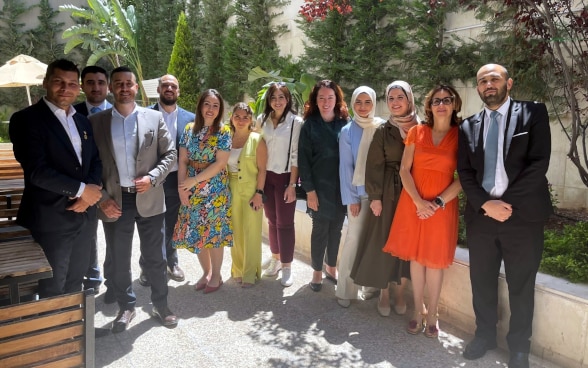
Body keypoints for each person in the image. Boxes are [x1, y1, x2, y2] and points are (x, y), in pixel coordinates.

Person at [457, 64, 552, 368]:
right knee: (481, 281)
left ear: (508, 83)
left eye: (494, 78)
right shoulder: (468, 125)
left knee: (521, 285)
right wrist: (487, 205)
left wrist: (504, 203)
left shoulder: (532, 114)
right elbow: (466, 172)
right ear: (478, 88)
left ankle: (519, 348)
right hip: (481, 217)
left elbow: (539, 163)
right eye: (482, 80)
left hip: (522, 217)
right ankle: (484, 336)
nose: (488, 84)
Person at [90, 66, 178, 333]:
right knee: (118, 257)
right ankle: (126, 306)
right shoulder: (97, 122)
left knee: (155, 257)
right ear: (111, 88)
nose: (124, 88)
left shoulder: (153, 118)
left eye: (129, 83)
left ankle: (161, 305)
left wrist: (153, 177)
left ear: (136, 88)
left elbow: (170, 154)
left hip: (149, 196)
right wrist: (101, 197)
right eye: (119, 83)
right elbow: (89, 165)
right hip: (115, 201)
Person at [9, 59, 103, 298]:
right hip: (51, 219)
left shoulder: (82, 120)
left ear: (78, 88)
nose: (65, 88)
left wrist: (89, 196)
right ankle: (55, 334)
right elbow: (36, 171)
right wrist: (82, 191)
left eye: (72, 83)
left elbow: (95, 161)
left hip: (84, 217)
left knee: (76, 281)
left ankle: (75, 333)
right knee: (52, 287)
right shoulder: (25, 119)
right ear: (45, 82)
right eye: (59, 81)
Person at [383, 85, 462, 338]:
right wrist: (418, 202)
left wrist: (437, 203)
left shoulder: (462, 136)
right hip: (413, 204)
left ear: (454, 104)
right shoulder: (417, 132)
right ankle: (418, 310)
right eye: (436, 100)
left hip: (442, 206)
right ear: (429, 106)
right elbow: (404, 170)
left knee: (435, 261)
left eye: (446, 100)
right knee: (416, 259)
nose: (441, 104)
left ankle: (434, 313)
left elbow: (465, 178)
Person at [351, 81, 419, 316]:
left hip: (413, 193)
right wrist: (376, 197)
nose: (395, 102)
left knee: (405, 242)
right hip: (388, 193)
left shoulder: (421, 127)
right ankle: (384, 292)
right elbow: (374, 164)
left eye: (400, 97)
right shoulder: (383, 130)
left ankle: (400, 291)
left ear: (409, 99)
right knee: (384, 240)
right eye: (391, 98)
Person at [172, 89, 233, 294]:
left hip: (215, 189)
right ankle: (206, 272)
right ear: (200, 105)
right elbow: (182, 160)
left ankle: (216, 275)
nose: (211, 109)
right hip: (191, 187)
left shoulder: (223, 131)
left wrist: (193, 180)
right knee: (198, 232)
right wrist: (182, 188)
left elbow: (220, 163)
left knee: (214, 234)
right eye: (207, 104)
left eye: (216, 106)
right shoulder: (189, 129)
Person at [138, 74, 195, 287]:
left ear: (178, 91)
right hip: (151, 179)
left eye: (173, 85)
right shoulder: (144, 114)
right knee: (150, 226)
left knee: (171, 225)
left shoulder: (190, 118)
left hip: (176, 179)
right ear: (159, 90)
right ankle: (147, 266)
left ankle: (172, 262)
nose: (169, 88)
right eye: (165, 85)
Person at [336, 86, 385, 308]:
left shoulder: (382, 127)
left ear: (374, 103)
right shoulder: (347, 131)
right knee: (353, 241)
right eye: (359, 102)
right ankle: (346, 290)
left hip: (380, 196)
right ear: (352, 104)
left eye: (367, 102)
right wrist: (352, 199)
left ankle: (371, 286)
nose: (363, 107)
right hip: (358, 196)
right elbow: (345, 168)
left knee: (375, 242)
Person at [298, 80, 348, 292]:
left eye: (330, 97)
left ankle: (331, 267)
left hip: (340, 189)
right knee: (320, 231)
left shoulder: (345, 123)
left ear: (337, 99)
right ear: (315, 101)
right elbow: (303, 161)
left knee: (336, 230)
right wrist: (309, 191)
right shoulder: (310, 125)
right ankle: (317, 272)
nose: (326, 102)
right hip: (318, 189)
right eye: (321, 98)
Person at [256, 82, 303, 287]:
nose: (277, 101)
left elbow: (295, 156)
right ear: (268, 100)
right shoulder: (262, 120)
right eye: (273, 97)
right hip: (266, 177)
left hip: (285, 178)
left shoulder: (296, 122)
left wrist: (292, 184)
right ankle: (275, 258)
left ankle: (287, 266)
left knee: (285, 223)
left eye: (281, 97)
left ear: (288, 99)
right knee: (272, 220)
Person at [73, 65, 112, 294]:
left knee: (116, 236)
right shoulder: (72, 113)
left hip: (115, 185)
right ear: (82, 86)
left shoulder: (120, 111)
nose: (96, 87)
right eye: (90, 82)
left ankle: (115, 282)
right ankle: (92, 276)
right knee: (87, 233)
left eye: (100, 82)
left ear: (107, 85)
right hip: (84, 186)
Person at [228, 103, 267, 288]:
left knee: (251, 232)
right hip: (231, 189)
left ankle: (250, 273)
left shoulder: (257, 139)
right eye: (238, 116)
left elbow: (262, 170)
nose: (241, 120)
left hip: (252, 190)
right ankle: (237, 269)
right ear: (232, 118)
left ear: (251, 119)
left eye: (245, 117)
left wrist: (259, 193)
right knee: (235, 231)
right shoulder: (226, 138)